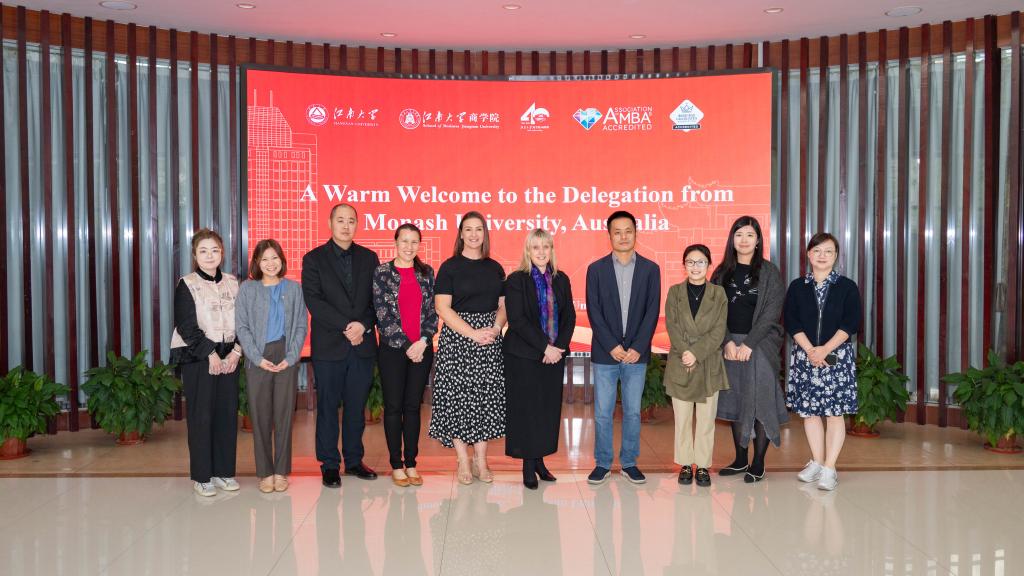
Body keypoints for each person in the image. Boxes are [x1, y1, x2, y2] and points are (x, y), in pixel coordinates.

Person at [302, 203, 381, 488]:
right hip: (330, 346)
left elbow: (377, 301)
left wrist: (363, 325)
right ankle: (329, 464)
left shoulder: (369, 258)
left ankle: (354, 460)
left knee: (356, 407)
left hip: (362, 345)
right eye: (341, 220)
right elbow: (314, 301)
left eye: (351, 221)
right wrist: (348, 327)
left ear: (357, 224)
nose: (346, 226)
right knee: (327, 407)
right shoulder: (314, 259)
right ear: (330, 223)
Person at [429, 211, 507, 485]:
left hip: (489, 339)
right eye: (468, 229)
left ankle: (481, 460)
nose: (474, 234)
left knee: (486, 399)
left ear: (485, 234)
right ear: (461, 234)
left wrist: (495, 328)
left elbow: (503, 305)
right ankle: (463, 459)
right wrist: (472, 333)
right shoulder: (449, 267)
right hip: (458, 340)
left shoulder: (495, 267)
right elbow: (442, 308)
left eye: (479, 229)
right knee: (457, 399)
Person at [585, 210, 661, 485]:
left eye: (628, 231)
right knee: (603, 413)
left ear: (636, 233)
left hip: (636, 355)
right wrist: (611, 346)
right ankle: (602, 463)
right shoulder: (596, 269)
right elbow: (594, 311)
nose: (623, 236)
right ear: (609, 235)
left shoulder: (651, 269)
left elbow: (652, 310)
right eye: (617, 232)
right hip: (605, 353)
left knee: (632, 412)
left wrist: (638, 346)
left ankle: (629, 462)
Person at [711, 216, 787, 483]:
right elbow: (713, 312)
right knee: (735, 400)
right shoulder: (721, 272)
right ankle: (740, 459)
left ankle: (758, 463)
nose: (744, 240)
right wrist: (727, 342)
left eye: (749, 235)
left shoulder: (770, 272)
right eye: (739, 234)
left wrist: (749, 343)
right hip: (730, 347)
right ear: (732, 239)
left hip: (760, 345)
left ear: (758, 241)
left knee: (760, 401)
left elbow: (771, 313)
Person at [784, 232, 862, 491]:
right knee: (809, 412)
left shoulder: (847, 287)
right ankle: (817, 462)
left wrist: (825, 349)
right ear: (809, 254)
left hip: (837, 358)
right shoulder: (798, 286)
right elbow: (791, 321)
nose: (822, 256)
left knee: (834, 413)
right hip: (805, 357)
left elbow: (851, 323)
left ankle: (830, 468)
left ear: (836, 256)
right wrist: (810, 350)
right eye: (817, 251)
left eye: (828, 251)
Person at [170, 228, 242, 496]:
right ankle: (202, 477)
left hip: (229, 358)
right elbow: (186, 325)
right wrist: (210, 353)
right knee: (201, 416)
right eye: (203, 251)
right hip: (199, 358)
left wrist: (236, 352)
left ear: (222, 253)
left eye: (214, 250)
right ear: (195, 255)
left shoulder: (233, 282)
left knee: (226, 414)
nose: (209, 256)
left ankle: (224, 471)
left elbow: (244, 321)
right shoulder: (187, 284)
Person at [503, 229, 577, 490]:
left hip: (554, 356)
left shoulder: (561, 279)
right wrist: (545, 348)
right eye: (536, 247)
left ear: (552, 250)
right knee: (527, 410)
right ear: (528, 251)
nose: (541, 252)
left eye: (546, 246)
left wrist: (558, 348)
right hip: (523, 356)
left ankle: (540, 462)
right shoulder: (516, 280)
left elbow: (569, 316)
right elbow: (517, 320)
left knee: (547, 410)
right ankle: (527, 464)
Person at [235, 239, 307, 493]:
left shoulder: (294, 288)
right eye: (264, 259)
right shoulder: (248, 289)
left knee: (284, 416)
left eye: (274, 258)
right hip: (258, 356)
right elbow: (241, 326)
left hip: (286, 353)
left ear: (282, 260)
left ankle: (281, 471)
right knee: (260, 415)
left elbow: (301, 324)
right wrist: (256, 357)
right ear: (257, 262)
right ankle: (265, 472)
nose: (270, 263)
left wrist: (292, 356)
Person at [372, 224, 439, 488]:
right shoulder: (382, 273)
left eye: (414, 242)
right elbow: (382, 314)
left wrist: (422, 342)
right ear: (396, 242)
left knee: (412, 407)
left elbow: (433, 312)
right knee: (393, 407)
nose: (409, 247)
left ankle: (411, 463)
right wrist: (408, 346)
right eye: (404, 241)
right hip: (392, 350)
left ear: (419, 245)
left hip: (422, 349)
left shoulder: (427, 273)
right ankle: (396, 465)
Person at [663, 244, 729, 488]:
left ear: (709, 265)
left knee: (706, 420)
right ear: (684, 265)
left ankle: (702, 465)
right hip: (681, 361)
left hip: (708, 362)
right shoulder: (674, 292)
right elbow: (672, 326)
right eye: (690, 262)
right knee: (682, 420)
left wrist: (696, 353)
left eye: (700, 262)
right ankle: (684, 463)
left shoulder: (718, 294)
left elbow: (719, 330)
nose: (695, 266)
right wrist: (686, 353)